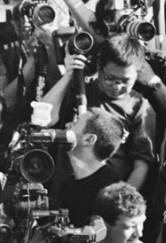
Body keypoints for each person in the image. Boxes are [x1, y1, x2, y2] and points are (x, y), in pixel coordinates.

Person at [43, 35, 157, 191]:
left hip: (108, 190)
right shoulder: (79, 87)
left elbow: (142, 164)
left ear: (137, 74)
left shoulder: (140, 106)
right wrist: (69, 75)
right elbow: (44, 118)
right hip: (67, 187)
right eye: (110, 78)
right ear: (99, 67)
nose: (117, 86)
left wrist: (121, 198)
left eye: (126, 81)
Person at [48, 107, 124, 228]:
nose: (68, 125)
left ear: (89, 139)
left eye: (75, 123)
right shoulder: (68, 184)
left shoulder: (108, 192)